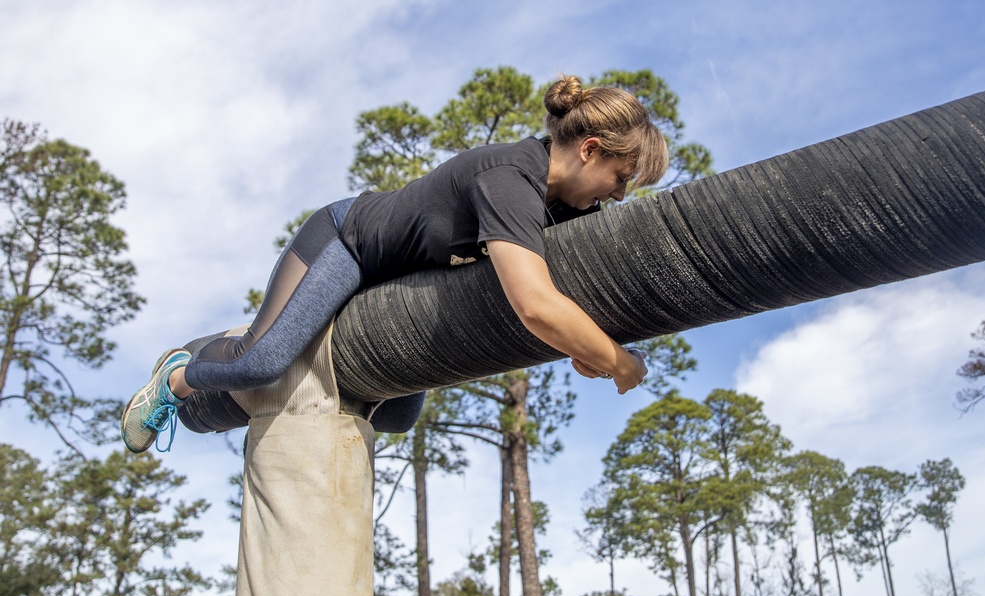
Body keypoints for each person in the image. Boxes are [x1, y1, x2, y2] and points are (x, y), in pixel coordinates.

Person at [121, 75, 669, 454]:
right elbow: (535, 303)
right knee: (259, 363)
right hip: (350, 241)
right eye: (622, 179)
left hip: (398, 282)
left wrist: (586, 345)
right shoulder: (510, 176)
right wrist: (619, 363)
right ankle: (176, 377)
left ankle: (282, 327)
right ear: (590, 149)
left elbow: (569, 293)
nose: (620, 196)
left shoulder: (566, 206)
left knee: (400, 416)